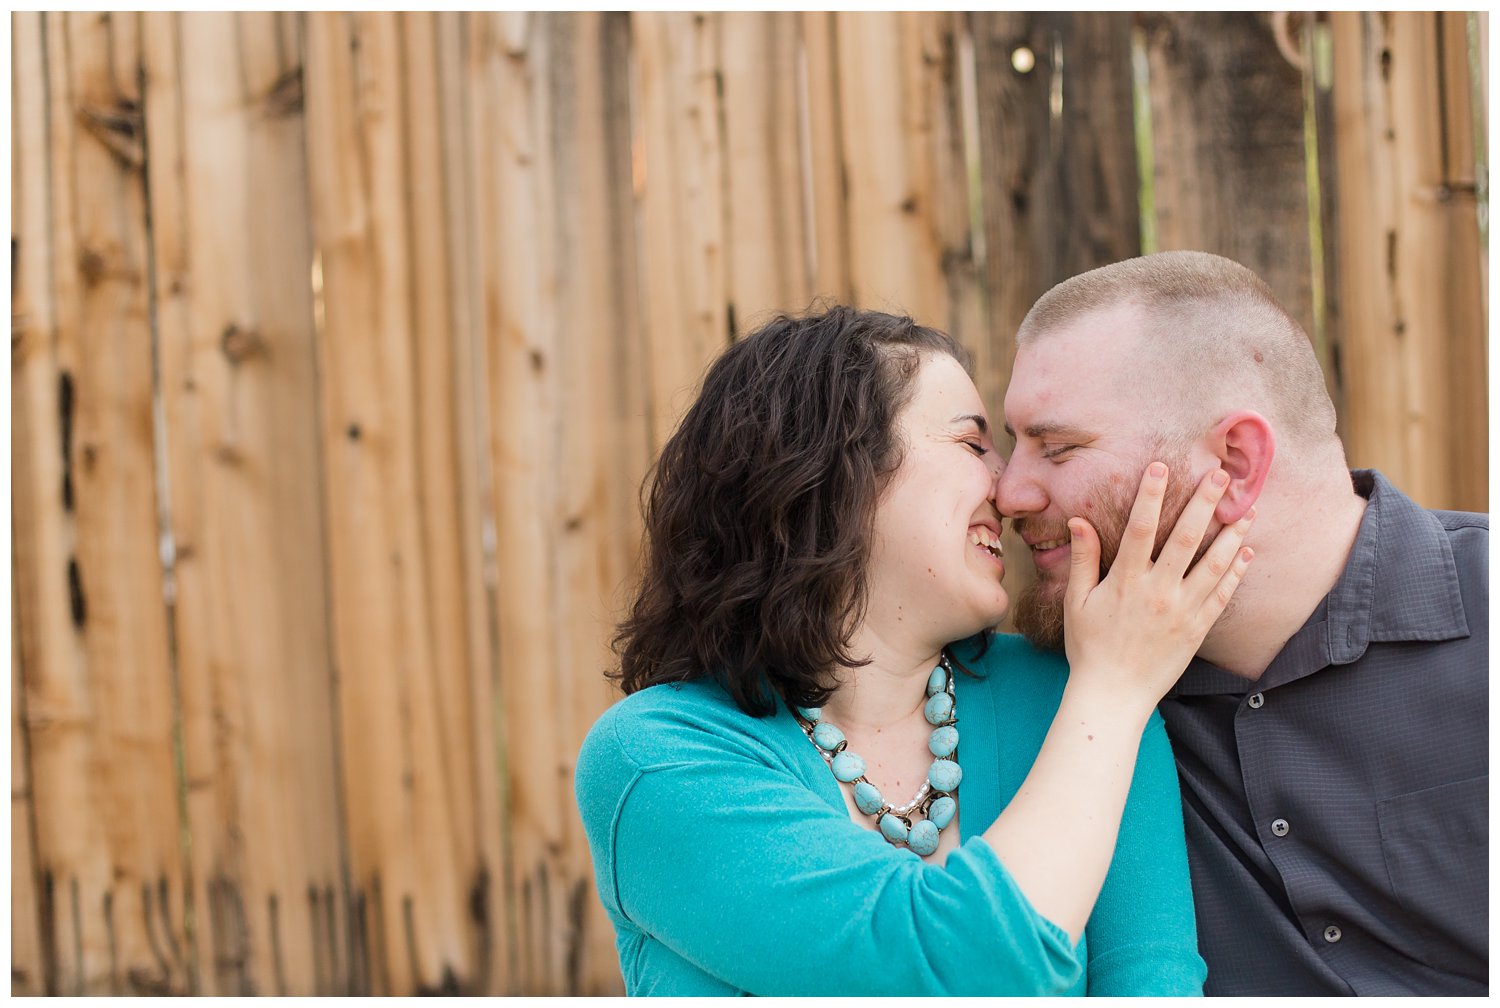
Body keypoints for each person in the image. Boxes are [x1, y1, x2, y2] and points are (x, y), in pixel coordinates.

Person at [574, 306, 1254, 996]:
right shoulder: (656, 759)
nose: (1011, 490)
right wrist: (1110, 695)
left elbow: (1150, 981)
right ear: (832, 471)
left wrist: (1107, 694)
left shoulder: (1072, 699)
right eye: (972, 444)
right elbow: (954, 969)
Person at [995, 250, 1488, 996]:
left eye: (1057, 447)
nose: (1009, 493)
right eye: (1010, 445)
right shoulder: (1070, 703)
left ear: (1233, 462)